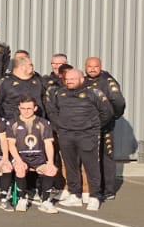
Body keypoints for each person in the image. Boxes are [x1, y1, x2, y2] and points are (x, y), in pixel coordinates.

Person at [46, 67, 112, 211]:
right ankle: (75, 195)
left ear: (82, 79)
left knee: (91, 166)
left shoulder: (93, 92)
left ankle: (94, 196)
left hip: (87, 135)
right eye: (67, 79)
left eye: (73, 79)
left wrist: (93, 126)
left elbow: (107, 111)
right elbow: (52, 110)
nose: (69, 82)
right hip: (66, 135)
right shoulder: (60, 93)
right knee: (70, 166)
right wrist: (60, 127)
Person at [84, 56, 127, 200]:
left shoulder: (107, 81)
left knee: (106, 157)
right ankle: (94, 188)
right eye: (89, 66)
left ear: (100, 66)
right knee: (90, 157)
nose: (92, 69)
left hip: (105, 126)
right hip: (88, 127)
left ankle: (108, 190)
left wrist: (113, 116)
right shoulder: (83, 81)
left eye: (95, 66)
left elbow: (118, 102)